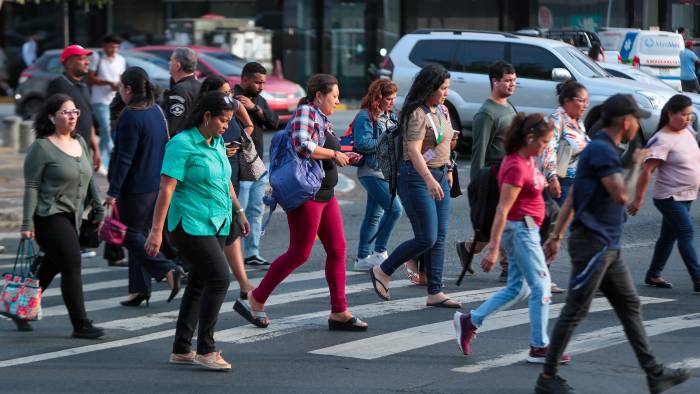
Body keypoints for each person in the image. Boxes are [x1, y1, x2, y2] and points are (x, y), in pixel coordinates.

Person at [534, 94, 692, 394]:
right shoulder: (602, 151)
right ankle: (548, 377)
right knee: (575, 309)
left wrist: (555, 235)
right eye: (636, 119)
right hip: (594, 245)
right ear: (625, 121)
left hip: (608, 246)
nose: (639, 125)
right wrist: (635, 164)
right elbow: (621, 195)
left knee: (629, 305)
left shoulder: (600, 149)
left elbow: (572, 197)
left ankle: (654, 373)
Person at [234, 73, 368, 331]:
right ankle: (256, 298)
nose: (337, 102)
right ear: (319, 95)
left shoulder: (321, 117)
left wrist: (345, 155)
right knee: (300, 252)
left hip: (324, 194)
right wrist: (333, 153)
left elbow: (323, 150)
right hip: (308, 195)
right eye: (334, 97)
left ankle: (339, 311)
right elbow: (302, 145)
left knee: (338, 249)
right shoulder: (305, 112)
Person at [454, 113, 572, 365]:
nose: (545, 148)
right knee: (541, 288)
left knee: (518, 288)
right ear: (530, 138)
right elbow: (502, 209)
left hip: (527, 231)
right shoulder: (516, 166)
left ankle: (471, 320)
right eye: (544, 142)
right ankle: (539, 347)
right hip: (519, 231)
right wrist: (493, 247)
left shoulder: (529, 160)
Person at [145, 91, 249, 371]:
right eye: (223, 120)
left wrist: (238, 211)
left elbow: (225, 180)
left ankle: (181, 349)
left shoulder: (215, 142)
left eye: (229, 120)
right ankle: (206, 349)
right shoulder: (181, 144)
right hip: (189, 223)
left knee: (200, 282)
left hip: (217, 221)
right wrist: (156, 231)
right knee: (219, 279)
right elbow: (166, 189)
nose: (227, 125)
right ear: (207, 116)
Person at [368, 64, 460, 308]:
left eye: (448, 88)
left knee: (439, 237)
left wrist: (447, 170)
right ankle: (383, 269)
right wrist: (429, 179)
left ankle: (435, 292)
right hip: (417, 178)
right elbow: (413, 151)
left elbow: (444, 143)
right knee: (426, 237)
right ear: (430, 87)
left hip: (440, 174)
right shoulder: (416, 113)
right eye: (443, 88)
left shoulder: (442, 109)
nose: (446, 93)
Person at [19, 94, 105, 338]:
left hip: (73, 217)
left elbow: (89, 180)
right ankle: (81, 324)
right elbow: (32, 186)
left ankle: (20, 307)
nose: (72, 116)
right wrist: (26, 224)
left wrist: (98, 207)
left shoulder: (80, 142)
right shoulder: (42, 147)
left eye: (74, 112)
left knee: (50, 266)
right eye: (66, 112)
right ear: (51, 117)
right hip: (48, 216)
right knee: (71, 262)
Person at [105, 67, 183, 307]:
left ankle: (167, 268)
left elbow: (123, 158)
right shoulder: (156, 110)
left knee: (129, 235)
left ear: (128, 89)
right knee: (140, 233)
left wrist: (112, 191)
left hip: (136, 187)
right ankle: (139, 289)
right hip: (156, 184)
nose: (120, 91)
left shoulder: (131, 115)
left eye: (121, 87)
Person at [628, 94, 700, 292]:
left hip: (687, 195)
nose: (687, 119)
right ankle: (698, 278)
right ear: (670, 114)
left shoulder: (688, 132)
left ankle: (653, 274)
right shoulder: (662, 139)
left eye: (689, 115)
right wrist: (638, 199)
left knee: (668, 236)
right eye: (683, 115)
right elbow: (647, 170)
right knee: (686, 232)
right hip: (669, 197)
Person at [459, 61, 517, 282]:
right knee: (499, 221)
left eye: (514, 80)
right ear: (495, 81)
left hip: (510, 173)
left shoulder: (509, 106)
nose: (512, 85)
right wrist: (476, 186)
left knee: (501, 222)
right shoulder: (486, 113)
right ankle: (507, 266)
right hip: (493, 175)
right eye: (507, 80)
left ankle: (467, 248)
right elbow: (478, 152)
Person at [198, 75, 256, 297]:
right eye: (224, 93)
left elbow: (249, 125)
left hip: (229, 176)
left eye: (229, 93)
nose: (229, 97)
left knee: (230, 232)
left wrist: (240, 144)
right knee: (218, 238)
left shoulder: (233, 108)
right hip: (205, 189)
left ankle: (242, 283)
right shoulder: (199, 130)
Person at [352, 79, 404, 271]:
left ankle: (362, 258)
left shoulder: (391, 116)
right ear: (378, 97)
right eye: (388, 98)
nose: (392, 102)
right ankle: (379, 252)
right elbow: (363, 143)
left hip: (387, 172)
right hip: (371, 171)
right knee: (395, 209)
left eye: (394, 98)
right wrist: (387, 139)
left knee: (374, 215)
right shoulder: (365, 117)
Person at [233, 62, 279, 266]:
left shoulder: (258, 100)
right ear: (244, 80)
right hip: (239, 164)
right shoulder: (232, 99)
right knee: (238, 210)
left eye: (263, 82)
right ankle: (232, 252)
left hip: (258, 163)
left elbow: (273, 122)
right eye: (257, 82)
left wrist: (256, 109)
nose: (261, 86)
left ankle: (252, 252)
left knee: (255, 209)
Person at [47, 45, 101, 172]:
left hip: (85, 150)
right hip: (67, 152)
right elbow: (50, 120)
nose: (87, 62)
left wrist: (96, 149)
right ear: (69, 64)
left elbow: (88, 118)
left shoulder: (84, 86)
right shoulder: (58, 85)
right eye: (82, 59)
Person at [540, 81, 590, 205]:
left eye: (586, 101)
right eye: (581, 100)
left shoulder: (577, 121)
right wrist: (552, 178)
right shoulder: (556, 118)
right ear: (567, 101)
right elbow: (548, 149)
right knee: (561, 222)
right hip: (563, 182)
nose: (585, 105)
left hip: (579, 180)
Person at [89, 34, 127, 174]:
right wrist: (108, 83)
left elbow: (122, 78)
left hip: (115, 100)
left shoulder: (121, 60)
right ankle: (107, 161)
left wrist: (119, 86)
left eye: (116, 47)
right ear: (104, 46)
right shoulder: (96, 58)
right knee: (105, 129)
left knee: (110, 131)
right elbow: (90, 79)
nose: (113, 49)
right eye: (111, 46)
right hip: (99, 100)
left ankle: (97, 159)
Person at [163, 47, 201, 136]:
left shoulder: (180, 90)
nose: (169, 63)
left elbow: (171, 126)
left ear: (178, 66)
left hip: (180, 144)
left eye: (171, 61)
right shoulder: (200, 85)